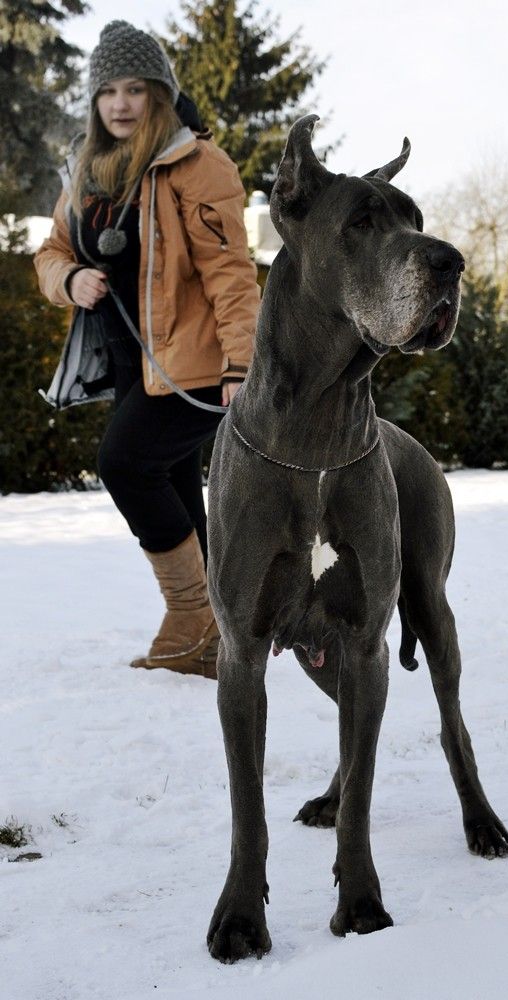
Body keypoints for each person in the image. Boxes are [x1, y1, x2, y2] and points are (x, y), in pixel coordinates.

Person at [34, 21, 260, 679]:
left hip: (196, 364)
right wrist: (70, 279)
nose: (121, 103)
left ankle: (192, 616)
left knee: (125, 464)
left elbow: (230, 273)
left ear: (160, 94)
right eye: (108, 91)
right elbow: (50, 251)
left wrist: (241, 364)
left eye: (135, 89)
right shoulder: (88, 169)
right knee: (173, 480)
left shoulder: (197, 163)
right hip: (129, 363)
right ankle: (218, 641)